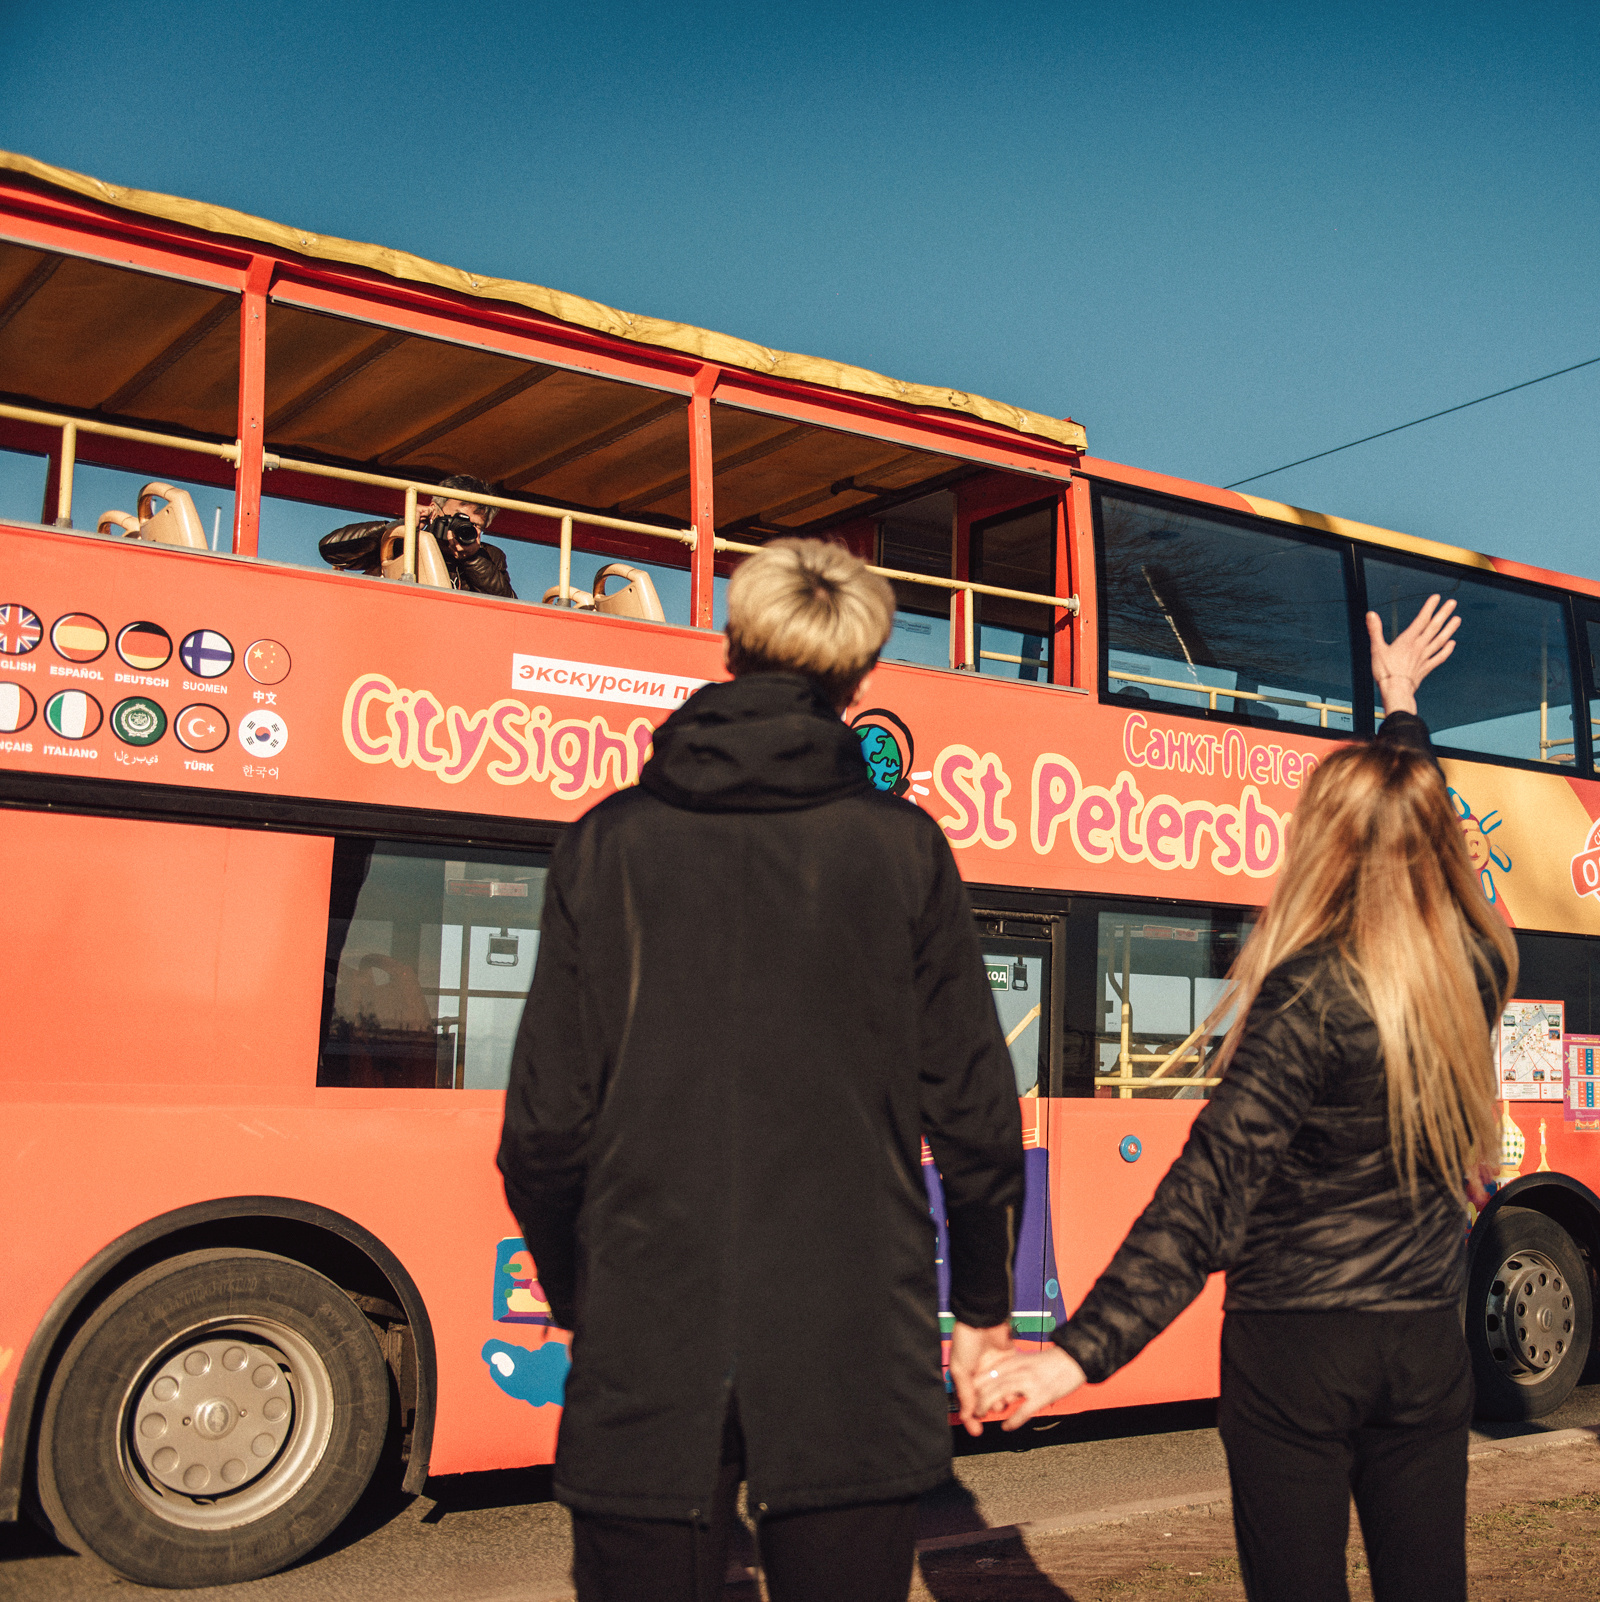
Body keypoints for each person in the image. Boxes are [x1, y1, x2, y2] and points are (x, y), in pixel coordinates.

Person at [497, 537, 1025, 1602]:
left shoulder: (604, 843)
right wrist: (980, 1313)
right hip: (850, 1336)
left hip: (646, 1325)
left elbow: (545, 1129)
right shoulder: (903, 849)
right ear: (860, 673)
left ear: (730, 647)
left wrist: (584, 1294)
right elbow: (972, 1115)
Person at [976, 594, 1515, 1602]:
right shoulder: (1476, 966)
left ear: (1320, 843)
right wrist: (1401, 713)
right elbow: (1418, 823)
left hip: (1296, 1345)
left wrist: (1078, 1357)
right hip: (1423, 1339)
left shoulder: (1308, 992)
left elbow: (1210, 1189)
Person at [320, 472, 517, 596]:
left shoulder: (490, 556)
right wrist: (400, 525)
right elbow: (331, 549)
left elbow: (509, 607)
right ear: (434, 510)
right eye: (459, 518)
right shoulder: (402, 542)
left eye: (476, 525)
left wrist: (473, 559)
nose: (465, 528)